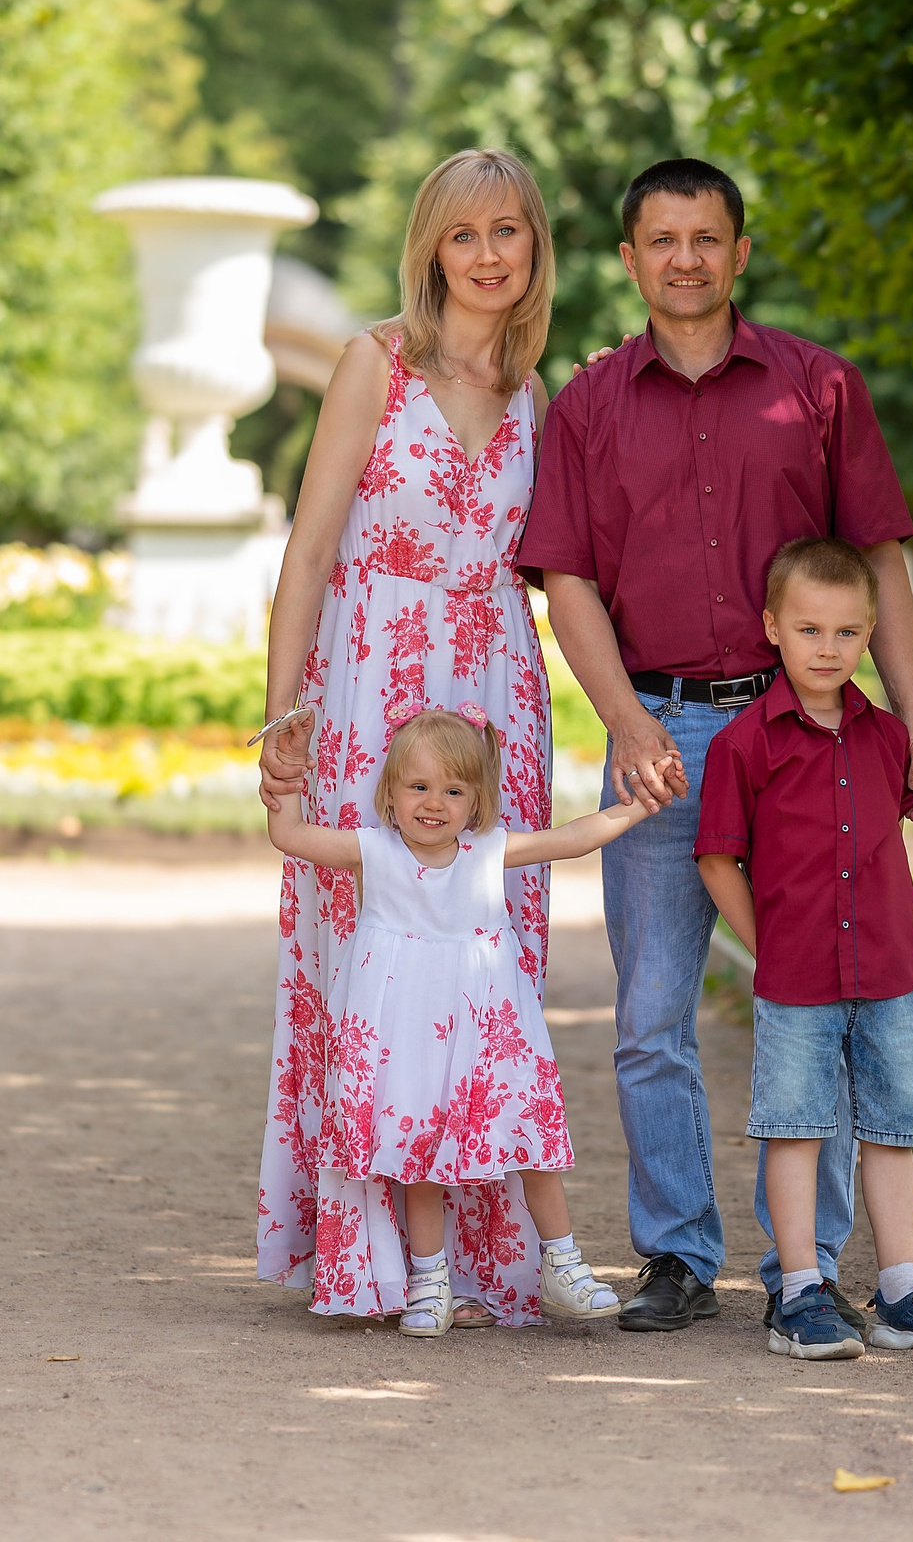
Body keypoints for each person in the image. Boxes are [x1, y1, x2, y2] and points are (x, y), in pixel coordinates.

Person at [518, 157, 913, 1333]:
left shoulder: (817, 391)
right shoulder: (589, 404)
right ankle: (674, 1254)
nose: (685, 259)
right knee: (652, 1012)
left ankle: (806, 1272)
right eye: (661, 240)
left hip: (798, 734)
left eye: (706, 237)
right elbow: (568, 584)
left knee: (819, 995)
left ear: (740, 251)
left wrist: (910, 711)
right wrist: (625, 720)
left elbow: (880, 564)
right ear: (629, 259)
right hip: (654, 732)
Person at [253, 149, 561, 1326]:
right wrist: (288, 711)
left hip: (498, 692)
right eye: (463, 234)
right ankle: (372, 1252)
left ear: (535, 247)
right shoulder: (373, 363)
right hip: (373, 678)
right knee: (372, 959)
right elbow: (311, 546)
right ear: (431, 248)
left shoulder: (537, 389)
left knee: (490, 963)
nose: (488, 255)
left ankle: (485, 1260)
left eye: (508, 232)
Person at [694, 538, 913, 1360]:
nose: (828, 649)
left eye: (847, 633)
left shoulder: (890, 739)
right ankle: (799, 1292)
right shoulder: (743, 745)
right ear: (772, 628)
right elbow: (719, 857)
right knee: (795, 1126)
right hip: (797, 981)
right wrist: (769, 947)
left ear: (870, 635)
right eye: (810, 629)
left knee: (895, 1127)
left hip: (894, 970)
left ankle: (900, 1291)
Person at [266, 707, 644, 1333]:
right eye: (418, 787)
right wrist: (281, 785)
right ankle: (430, 1278)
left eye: (453, 790)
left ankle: (561, 1259)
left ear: (477, 800)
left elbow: (573, 838)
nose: (434, 803)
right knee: (419, 1150)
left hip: (487, 1026)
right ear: (390, 792)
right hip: (406, 1031)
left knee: (528, 1137)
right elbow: (293, 837)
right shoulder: (376, 851)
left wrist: (636, 808)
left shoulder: (488, 851)